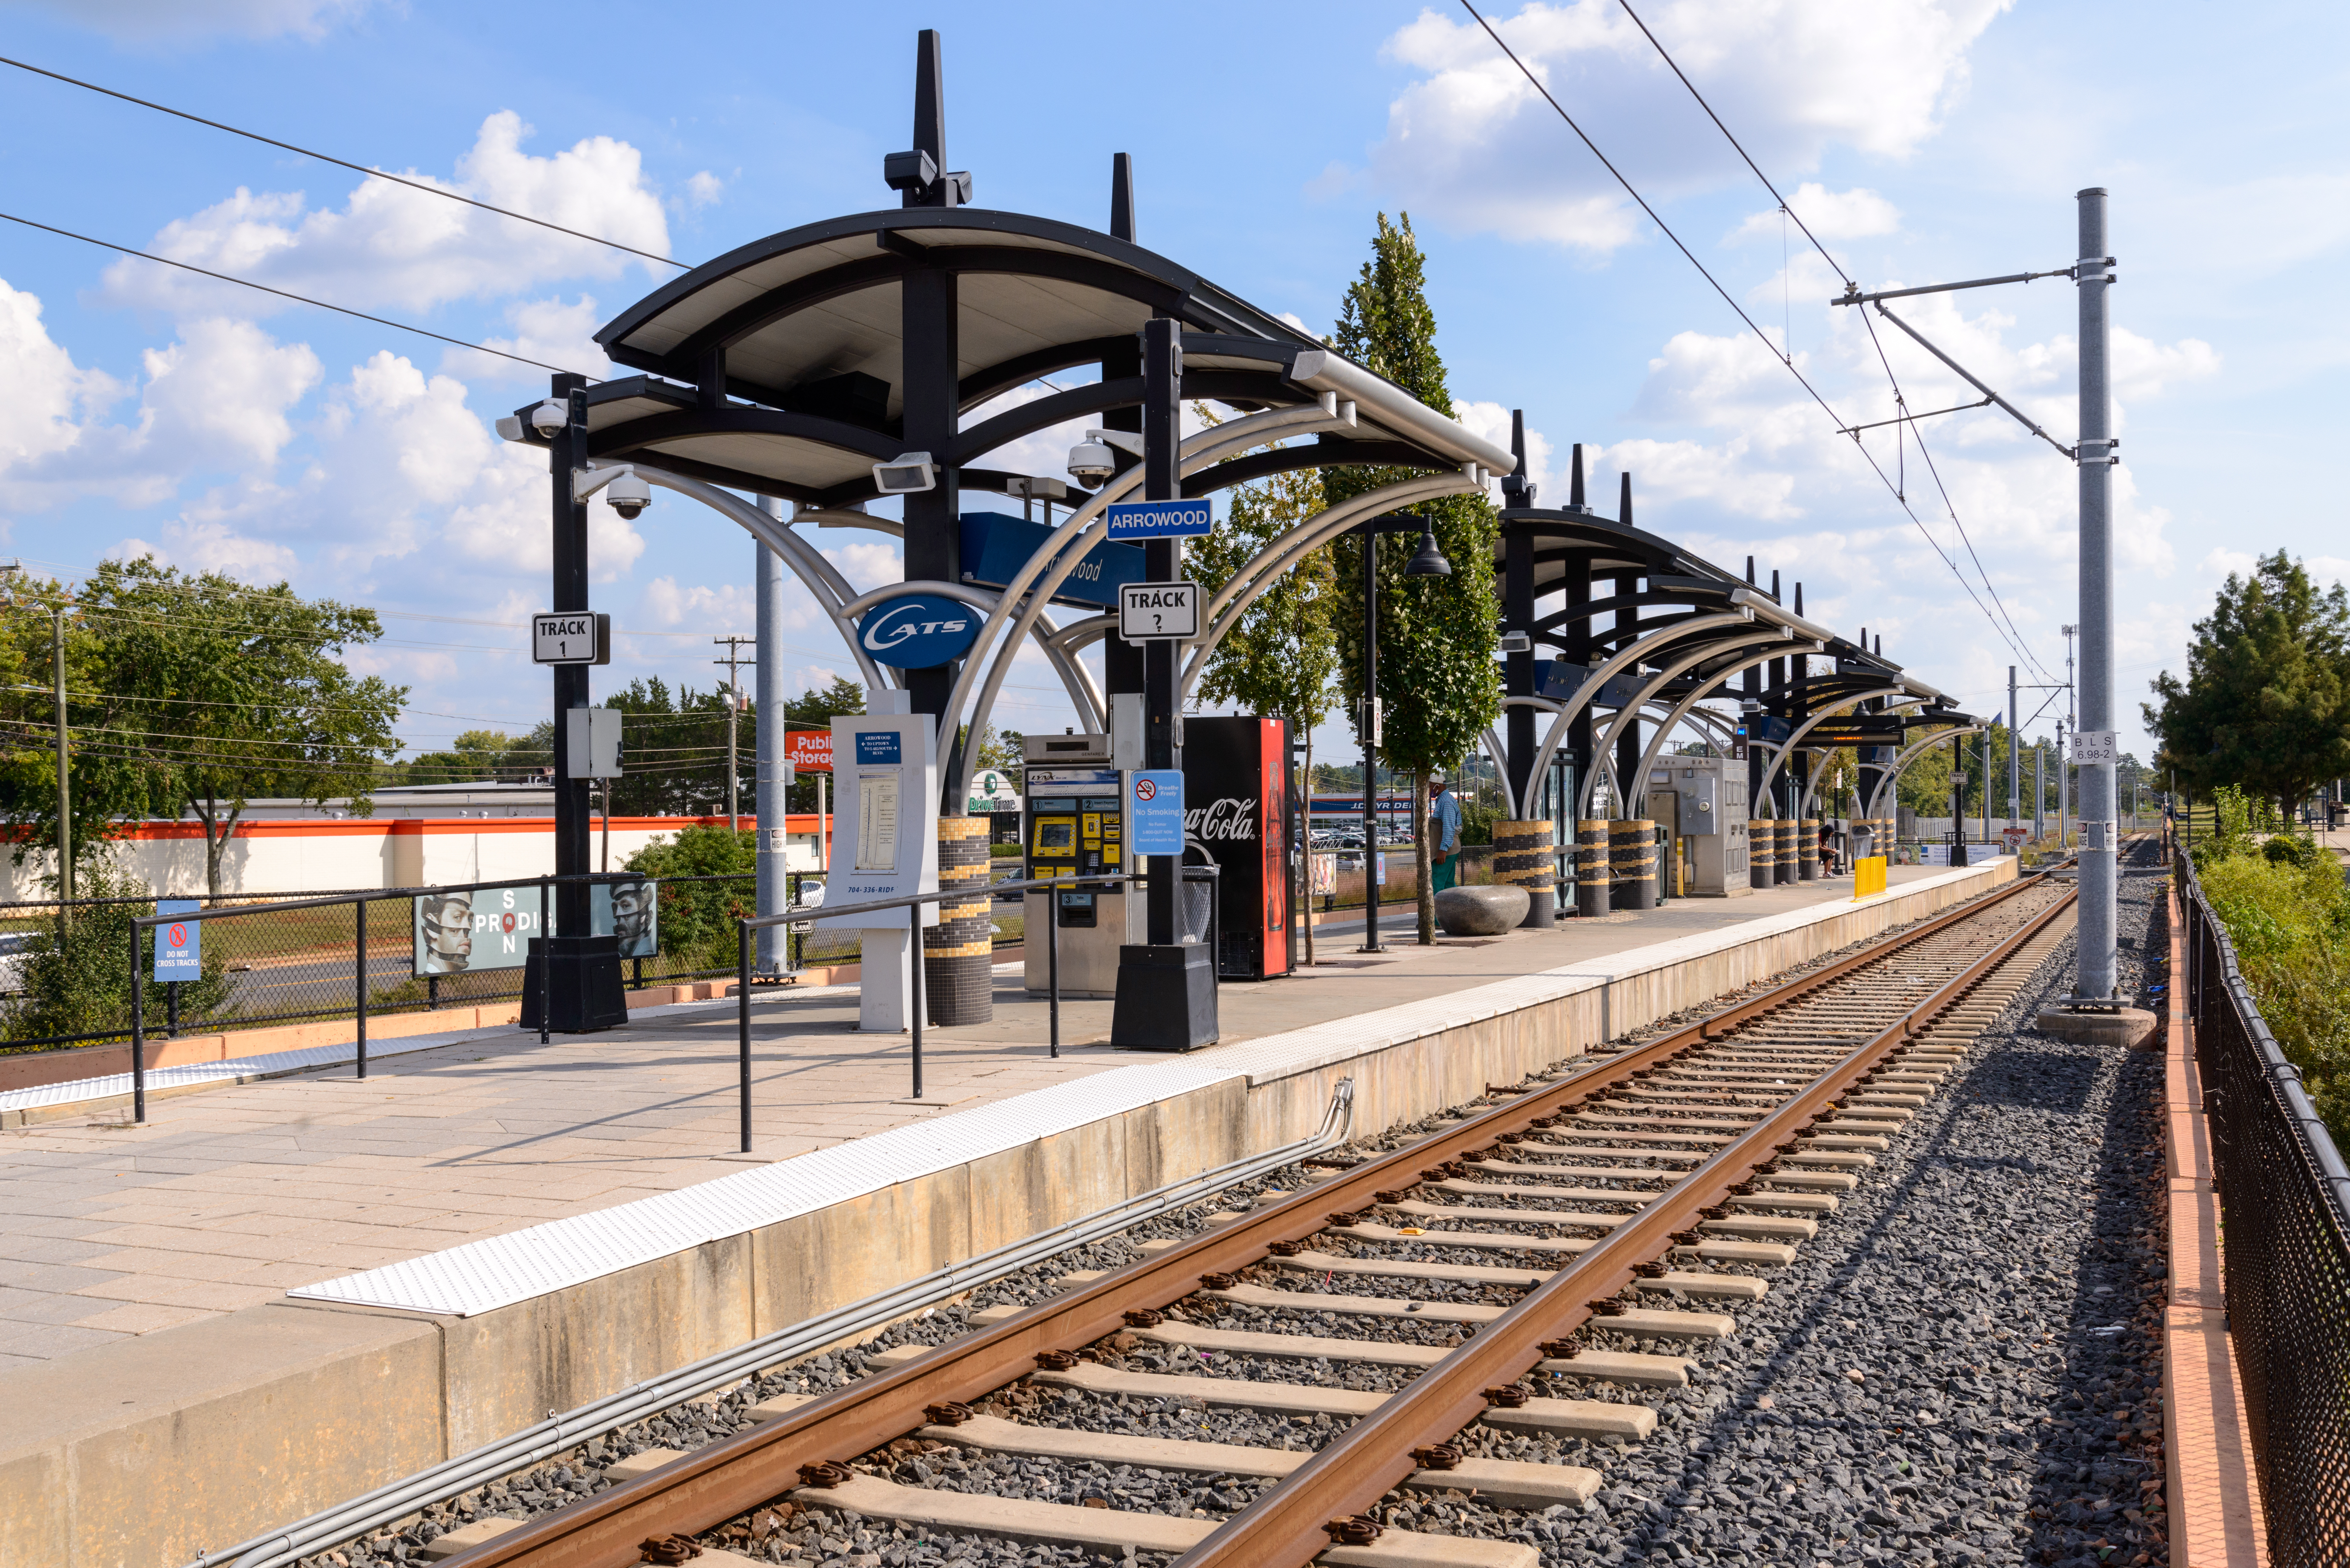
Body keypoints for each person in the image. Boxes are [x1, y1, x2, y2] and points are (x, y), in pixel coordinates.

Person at [1428, 769, 1464, 893]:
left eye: (1430, 786)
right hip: (1449, 849)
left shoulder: (1446, 802)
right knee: (1449, 885)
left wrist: (1443, 851)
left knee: (1437, 884)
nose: (1429, 790)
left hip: (1446, 851)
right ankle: (1456, 912)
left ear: (1438, 786)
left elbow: (1449, 827)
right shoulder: (1443, 800)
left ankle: (1436, 913)